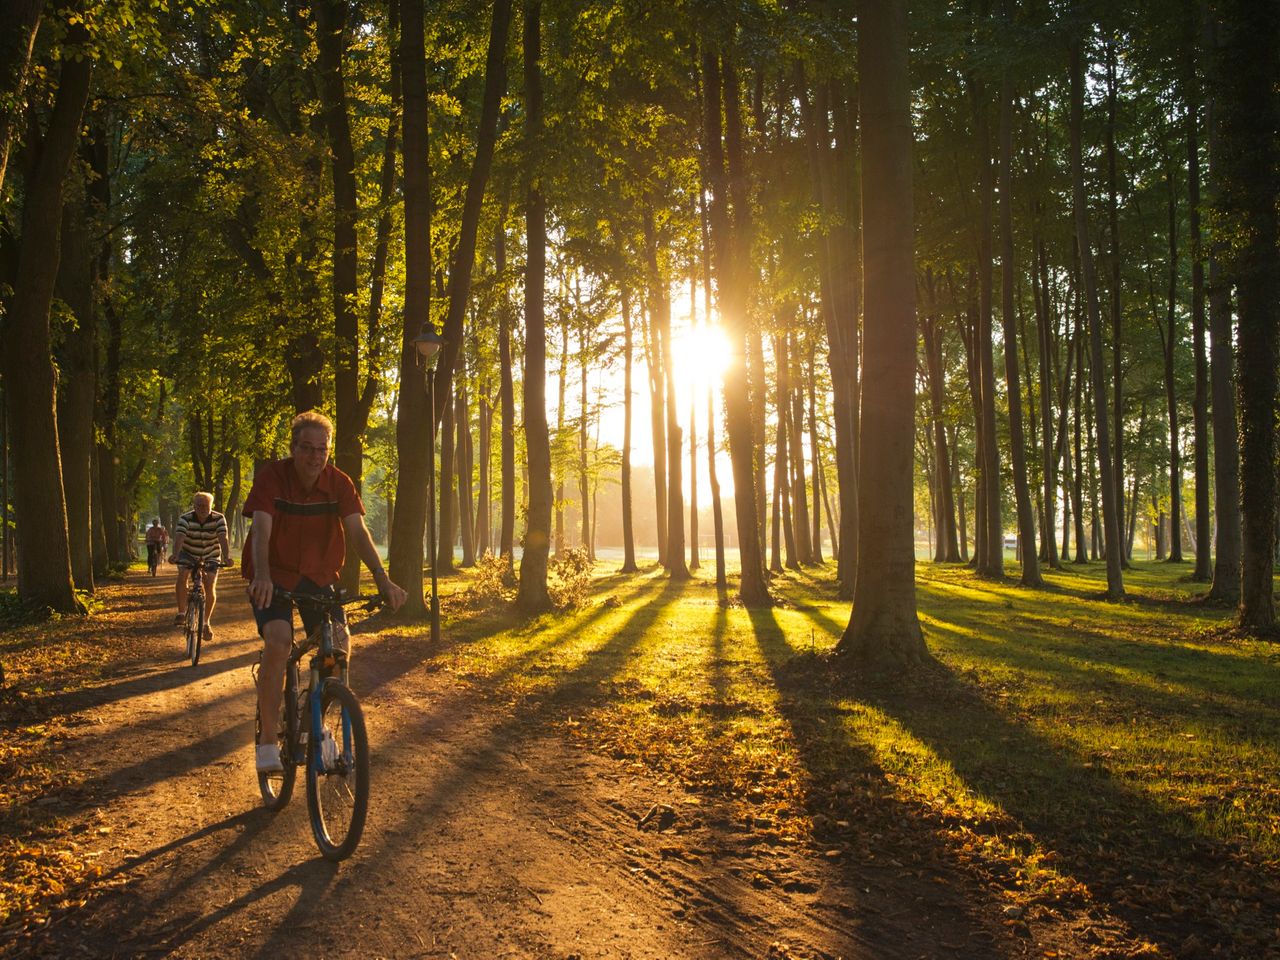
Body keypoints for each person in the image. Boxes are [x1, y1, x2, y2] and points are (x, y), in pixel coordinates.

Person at [243, 411, 406, 774]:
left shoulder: (340, 483)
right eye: (307, 448)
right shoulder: (272, 477)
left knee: (338, 645)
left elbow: (358, 533)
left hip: (317, 575)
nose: (315, 456)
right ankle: (269, 740)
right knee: (279, 641)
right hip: (274, 572)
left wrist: (383, 579)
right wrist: (264, 576)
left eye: (322, 449)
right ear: (293, 448)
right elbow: (261, 531)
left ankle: (317, 720)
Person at [169, 493, 231, 639]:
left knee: (210, 583)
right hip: (188, 552)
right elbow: (180, 537)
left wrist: (227, 557)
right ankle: (181, 613)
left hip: (211, 554)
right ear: (194, 506)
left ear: (211, 506)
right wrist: (176, 554)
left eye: (206, 506)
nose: (202, 509)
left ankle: (206, 623)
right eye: (199, 506)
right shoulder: (185, 518)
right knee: (183, 573)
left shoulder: (219, 518)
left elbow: (223, 537)